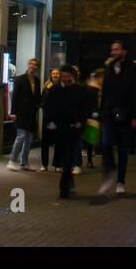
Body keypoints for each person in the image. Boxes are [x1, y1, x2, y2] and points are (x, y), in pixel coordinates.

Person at [98, 41, 136, 194]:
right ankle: (109, 171)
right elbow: (104, 91)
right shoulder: (109, 68)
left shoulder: (133, 69)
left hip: (126, 114)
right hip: (109, 113)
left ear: (124, 51)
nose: (114, 52)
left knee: (123, 150)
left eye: (117, 49)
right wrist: (101, 111)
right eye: (112, 50)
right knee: (105, 143)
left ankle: (120, 181)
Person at [43, 66, 88, 199]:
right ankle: (68, 180)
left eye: (67, 76)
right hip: (60, 127)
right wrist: (50, 122)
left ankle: (64, 186)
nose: (65, 79)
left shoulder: (79, 89)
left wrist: (81, 121)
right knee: (63, 155)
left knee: (68, 156)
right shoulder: (55, 89)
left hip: (73, 128)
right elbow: (48, 106)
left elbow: (84, 107)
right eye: (63, 76)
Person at [7, 57, 42, 172]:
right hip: (21, 112)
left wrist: (39, 105)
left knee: (29, 138)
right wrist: (13, 112)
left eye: (35, 65)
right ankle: (12, 160)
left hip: (32, 113)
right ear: (28, 65)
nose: (33, 66)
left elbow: (37, 97)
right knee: (21, 136)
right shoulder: (20, 79)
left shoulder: (37, 81)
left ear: (37, 67)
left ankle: (24, 162)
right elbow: (15, 96)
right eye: (31, 64)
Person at [39, 68, 62, 171]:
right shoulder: (46, 87)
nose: (55, 75)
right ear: (50, 75)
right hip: (47, 118)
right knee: (45, 142)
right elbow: (42, 102)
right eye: (53, 73)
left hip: (59, 118)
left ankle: (57, 165)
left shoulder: (63, 86)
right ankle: (44, 165)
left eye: (57, 73)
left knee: (58, 142)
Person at [82, 70, 102, 170]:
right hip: (91, 116)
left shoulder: (99, 88)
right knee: (90, 139)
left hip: (97, 115)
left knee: (92, 138)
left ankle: (90, 159)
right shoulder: (90, 89)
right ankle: (89, 160)